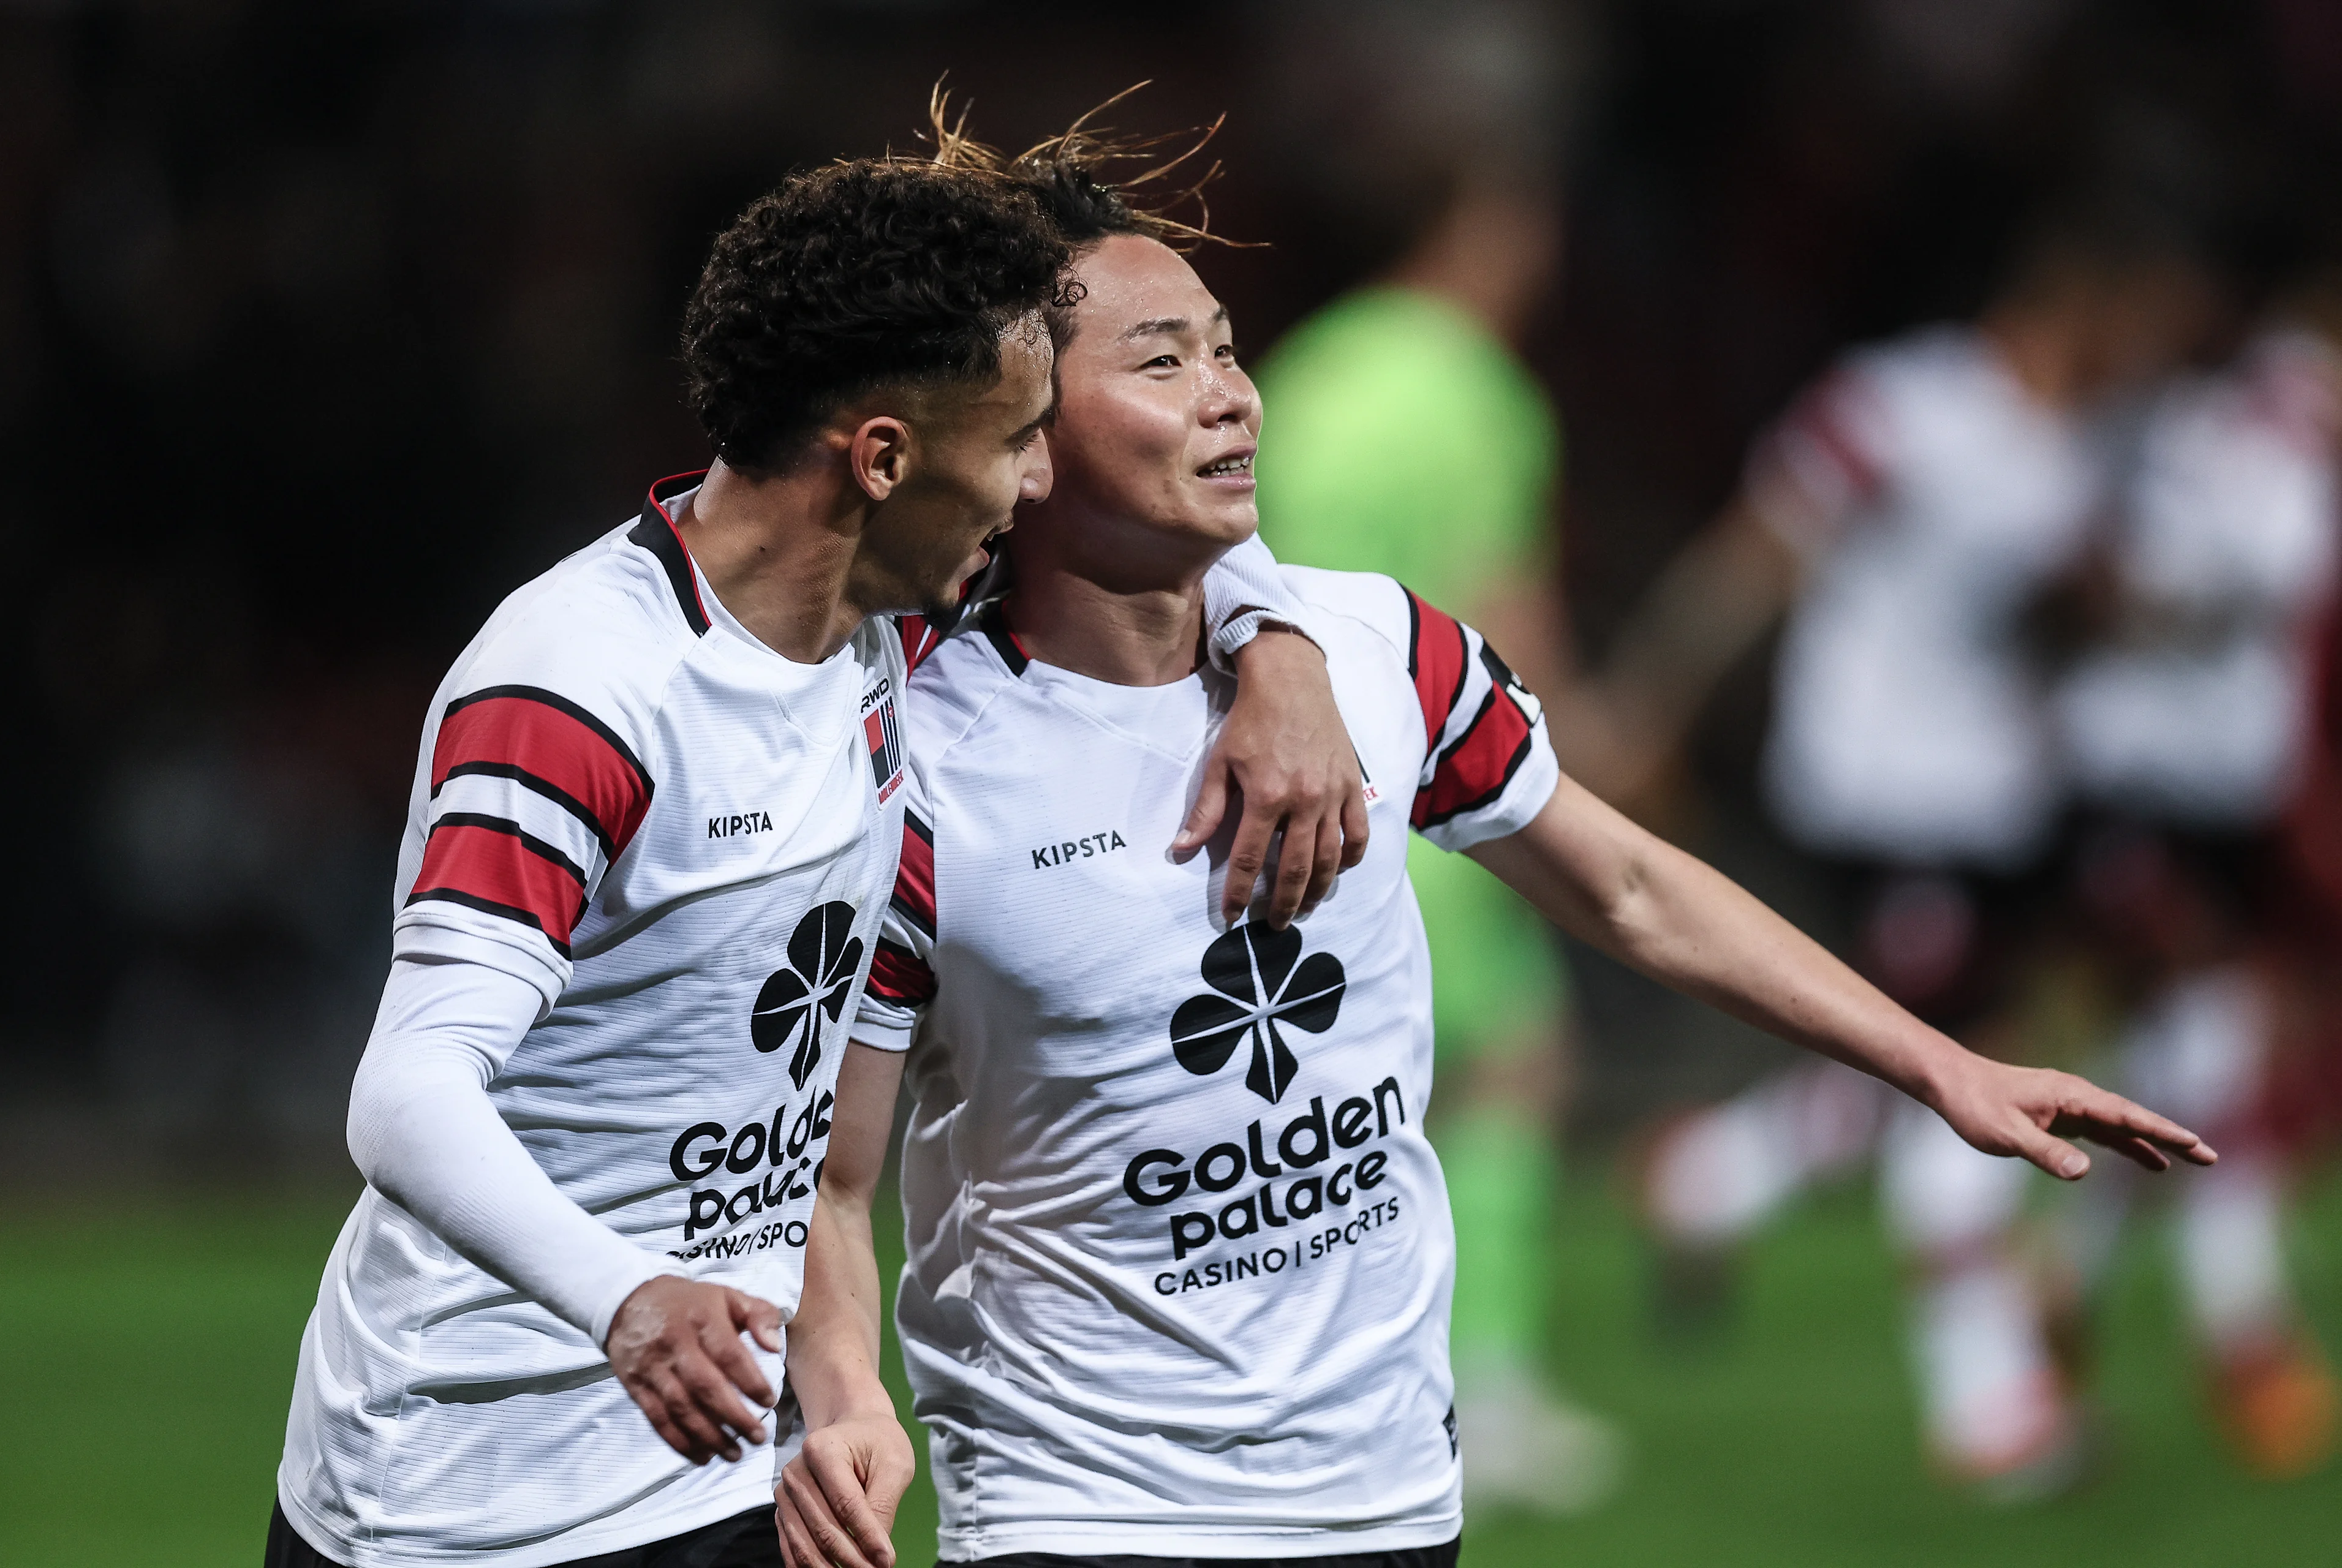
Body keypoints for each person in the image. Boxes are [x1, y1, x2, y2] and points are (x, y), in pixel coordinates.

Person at [769, 134, 2213, 1568]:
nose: (1231, 399)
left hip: (1396, 1497)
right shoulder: (908, 763)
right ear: (1020, 429)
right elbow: (830, 1178)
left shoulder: (1383, 652)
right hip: (1086, 1512)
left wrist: (1940, 1063)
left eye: (1226, 349)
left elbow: (1633, 888)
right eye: (1162, 364)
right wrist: (839, 1403)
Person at [266, 147, 1370, 1568]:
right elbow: (407, 1091)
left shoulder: (877, 620)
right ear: (885, 456)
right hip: (472, 1491)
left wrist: (1271, 638)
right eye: (1018, 437)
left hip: (725, 1456)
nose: (1040, 480)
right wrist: (628, 1298)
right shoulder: (579, 694)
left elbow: (1184, 520)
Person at [1619, 201, 2221, 1493]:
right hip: (1885, 795)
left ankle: (1713, 1176)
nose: (2159, 342)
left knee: (1992, 1047)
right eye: (2146, 310)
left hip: (2012, 797)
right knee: (1967, 1075)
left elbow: (2063, 622)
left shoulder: (2088, 444)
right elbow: (1758, 553)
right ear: (2079, 291)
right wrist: (1655, 700)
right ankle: (1991, 1407)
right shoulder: (1906, 407)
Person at [1252, 18, 1613, 1509]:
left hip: (1283, 778)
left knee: (1331, 1121)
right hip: (1430, 795)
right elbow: (1503, 616)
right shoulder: (1472, 388)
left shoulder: (1305, 371)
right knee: (1516, 1073)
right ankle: (1493, 1386)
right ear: (1486, 220)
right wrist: (1584, 760)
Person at [2044, 270, 2342, 1477]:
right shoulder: (2271, 435)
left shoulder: (2222, 421)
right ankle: (2245, 1341)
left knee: (2166, 1064)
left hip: (2196, 787)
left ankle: (2058, 1287)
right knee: (2210, 1049)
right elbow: (2230, 586)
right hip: (2156, 784)